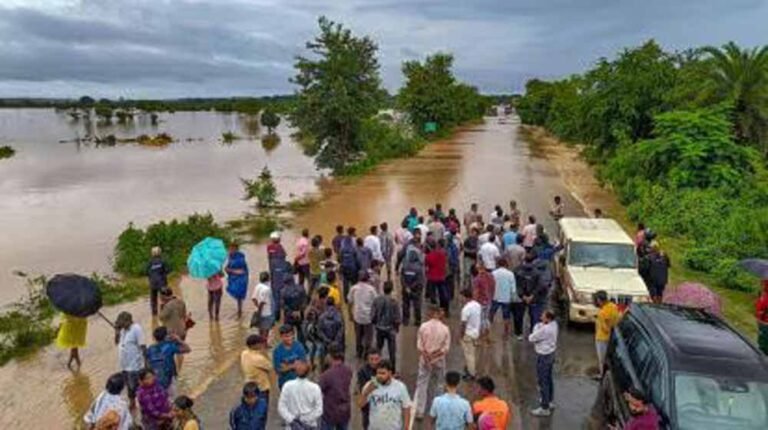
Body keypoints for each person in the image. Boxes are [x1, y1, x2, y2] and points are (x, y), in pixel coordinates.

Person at [415, 305, 451, 419]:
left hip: (425, 360)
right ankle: (437, 411)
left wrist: (427, 357)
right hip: (439, 361)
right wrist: (434, 356)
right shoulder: (445, 329)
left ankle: (420, 411)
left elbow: (420, 346)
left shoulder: (423, 327)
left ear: (430, 313)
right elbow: (445, 348)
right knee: (439, 385)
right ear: (439, 313)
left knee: (422, 384)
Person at [359, 359, 412, 430]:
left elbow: (406, 407)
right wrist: (367, 392)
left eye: (383, 373)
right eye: (378, 373)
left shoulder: (400, 387)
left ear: (390, 373)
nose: (379, 376)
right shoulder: (370, 385)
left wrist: (406, 427)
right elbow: (360, 404)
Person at [529, 310, 558, 417]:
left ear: (548, 318)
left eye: (543, 316)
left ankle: (544, 407)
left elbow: (531, 337)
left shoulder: (545, 330)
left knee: (543, 381)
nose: (541, 317)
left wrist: (536, 328)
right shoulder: (554, 325)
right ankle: (549, 400)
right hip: (551, 354)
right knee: (549, 379)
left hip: (543, 356)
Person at [114, 312, 146, 411]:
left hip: (135, 366)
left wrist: (147, 364)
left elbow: (143, 347)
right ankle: (132, 404)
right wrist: (117, 332)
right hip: (124, 366)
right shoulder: (122, 330)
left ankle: (143, 406)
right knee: (129, 387)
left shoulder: (136, 329)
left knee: (137, 388)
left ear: (129, 321)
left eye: (122, 323)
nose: (121, 325)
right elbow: (116, 342)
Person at [278, 360, 323, 429]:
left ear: (295, 372)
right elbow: (319, 409)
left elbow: (281, 407)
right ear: (309, 372)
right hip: (309, 425)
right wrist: (305, 419)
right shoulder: (315, 388)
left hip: (292, 426)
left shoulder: (287, 386)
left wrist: (292, 419)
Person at [146, 326, 191, 394]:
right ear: (165, 337)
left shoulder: (150, 349)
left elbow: (147, 364)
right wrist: (178, 340)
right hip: (169, 379)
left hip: (155, 380)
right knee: (172, 400)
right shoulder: (169, 346)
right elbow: (188, 349)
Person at [319, 346, 353, 430]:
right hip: (345, 411)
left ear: (329, 356)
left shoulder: (326, 375)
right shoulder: (348, 370)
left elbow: (319, 390)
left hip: (329, 412)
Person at [396, 230, 426, 325]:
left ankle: (405, 321)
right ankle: (417, 321)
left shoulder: (405, 267)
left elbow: (402, 277)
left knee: (406, 303)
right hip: (416, 287)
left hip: (407, 287)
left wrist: (406, 287)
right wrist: (413, 287)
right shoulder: (419, 267)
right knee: (417, 304)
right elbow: (420, 280)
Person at [347, 270, 378, 359]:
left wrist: (350, 314)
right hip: (368, 318)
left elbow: (349, 302)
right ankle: (366, 354)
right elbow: (375, 303)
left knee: (358, 336)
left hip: (357, 316)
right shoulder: (371, 289)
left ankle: (359, 352)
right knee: (368, 337)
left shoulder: (354, 288)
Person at [241, 334, 273, 415]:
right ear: (254, 345)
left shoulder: (244, 353)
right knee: (261, 411)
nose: (262, 344)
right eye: (260, 343)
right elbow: (270, 366)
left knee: (250, 411)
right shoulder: (258, 358)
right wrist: (263, 352)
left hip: (249, 385)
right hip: (261, 388)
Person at [371, 281, 401, 368]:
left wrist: (375, 323)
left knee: (378, 348)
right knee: (392, 351)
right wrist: (396, 328)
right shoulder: (394, 302)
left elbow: (373, 314)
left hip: (379, 328)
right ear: (391, 290)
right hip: (390, 329)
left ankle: (376, 366)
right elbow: (397, 318)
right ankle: (392, 368)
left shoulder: (377, 300)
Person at [273, 325, 308, 390]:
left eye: (291, 335)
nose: (290, 338)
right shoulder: (277, 351)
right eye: (286, 336)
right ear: (281, 337)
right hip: (284, 384)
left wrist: (286, 366)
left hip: (299, 383)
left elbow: (304, 364)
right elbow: (278, 370)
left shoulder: (299, 346)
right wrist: (294, 366)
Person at [516, 253, 543, 333]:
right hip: (534, 298)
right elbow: (539, 285)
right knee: (534, 316)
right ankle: (533, 332)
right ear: (534, 261)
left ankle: (519, 333)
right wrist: (532, 295)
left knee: (519, 316)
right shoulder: (537, 272)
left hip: (521, 298)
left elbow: (517, 285)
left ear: (524, 260)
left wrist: (523, 295)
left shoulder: (518, 271)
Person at [594, 291, 620, 378]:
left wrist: (599, 321)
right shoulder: (613, 307)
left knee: (602, 358)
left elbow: (605, 329)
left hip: (602, 338)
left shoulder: (602, 312)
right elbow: (617, 319)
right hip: (612, 337)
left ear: (600, 300)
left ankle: (602, 375)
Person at [490, 258, 518, 337]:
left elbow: (491, 285)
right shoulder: (510, 274)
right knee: (506, 316)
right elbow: (513, 288)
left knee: (491, 314)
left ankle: (488, 330)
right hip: (506, 298)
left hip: (495, 296)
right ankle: (506, 332)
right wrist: (513, 297)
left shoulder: (493, 273)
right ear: (506, 264)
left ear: (498, 264)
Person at [356, 349, 381, 429]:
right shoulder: (362, 372)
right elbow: (364, 390)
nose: (374, 362)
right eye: (371, 359)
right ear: (368, 359)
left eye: (376, 359)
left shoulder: (383, 369)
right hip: (368, 406)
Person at [460, 289, 481, 380]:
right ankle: (469, 370)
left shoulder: (466, 309)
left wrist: (461, 335)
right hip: (476, 332)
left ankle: (471, 373)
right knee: (472, 353)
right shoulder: (477, 305)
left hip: (468, 333)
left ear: (465, 297)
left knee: (468, 354)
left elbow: (463, 323)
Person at [282, 273, 309, 347]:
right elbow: (305, 301)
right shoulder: (301, 288)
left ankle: (291, 347)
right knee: (301, 330)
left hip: (289, 315)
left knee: (289, 332)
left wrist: (292, 312)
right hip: (300, 314)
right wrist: (299, 311)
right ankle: (303, 346)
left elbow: (283, 305)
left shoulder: (283, 291)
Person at [317, 297, 345, 366]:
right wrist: (336, 340)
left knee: (325, 363)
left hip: (326, 344)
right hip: (337, 344)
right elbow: (341, 329)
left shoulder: (322, 316)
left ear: (326, 304)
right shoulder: (339, 315)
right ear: (334, 304)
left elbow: (319, 331)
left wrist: (326, 340)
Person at [267, 231, 288, 319]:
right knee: (282, 292)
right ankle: (283, 313)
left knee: (275, 294)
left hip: (273, 272)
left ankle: (277, 315)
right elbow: (284, 256)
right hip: (280, 271)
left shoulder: (269, 247)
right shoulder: (280, 248)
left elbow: (269, 258)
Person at [226, 242, 250, 319]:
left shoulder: (240, 258)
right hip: (233, 279)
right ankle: (239, 311)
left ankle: (240, 313)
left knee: (239, 296)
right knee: (237, 296)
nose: (230, 250)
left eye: (232, 249)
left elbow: (243, 271)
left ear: (236, 249)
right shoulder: (230, 257)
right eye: (230, 249)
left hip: (241, 279)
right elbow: (228, 267)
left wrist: (231, 271)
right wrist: (228, 270)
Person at [425, 239, 449, 315]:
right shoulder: (442, 254)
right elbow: (446, 263)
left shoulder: (428, 256)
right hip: (442, 276)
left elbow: (427, 266)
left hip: (432, 277)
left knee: (433, 294)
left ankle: (434, 309)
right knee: (443, 293)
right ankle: (445, 309)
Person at [472, 264, 495, 339]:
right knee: (486, 318)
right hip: (488, 300)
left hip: (480, 301)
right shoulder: (491, 276)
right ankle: (487, 334)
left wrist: (474, 301)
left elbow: (476, 291)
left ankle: (481, 335)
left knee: (480, 318)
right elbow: (493, 287)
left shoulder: (477, 279)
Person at [147, 246, 170, 316]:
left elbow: (146, 272)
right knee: (164, 298)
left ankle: (154, 314)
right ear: (160, 253)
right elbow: (168, 270)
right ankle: (164, 313)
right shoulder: (163, 261)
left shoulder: (150, 262)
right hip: (162, 283)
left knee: (153, 299)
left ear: (152, 254)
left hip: (153, 284)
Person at [251, 272, 274, 338]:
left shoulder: (257, 286)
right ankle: (264, 344)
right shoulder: (267, 289)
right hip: (266, 313)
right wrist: (260, 310)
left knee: (260, 329)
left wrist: (257, 308)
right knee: (266, 330)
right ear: (268, 279)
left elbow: (254, 299)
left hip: (258, 311)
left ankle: (261, 342)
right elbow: (262, 302)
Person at [339, 227, 359, 298]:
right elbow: (356, 253)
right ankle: (354, 297)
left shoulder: (343, 241)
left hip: (344, 265)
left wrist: (341, 263)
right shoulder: (354, 241)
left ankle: (346, 298)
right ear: (353, 232)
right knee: (354, 282)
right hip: (352, 266)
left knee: (345, 283)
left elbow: (340, 253)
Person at [756, 280, 768, 355]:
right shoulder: (763, 296)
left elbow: (760, 312)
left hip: (765, 325)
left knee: (763, 348)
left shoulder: (765, 298)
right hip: (764, 324)